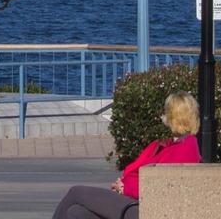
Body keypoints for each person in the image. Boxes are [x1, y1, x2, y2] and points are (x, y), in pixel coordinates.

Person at [50, 92, 201, 219]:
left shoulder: (185, 148)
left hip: (142, 207)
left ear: (172, 116)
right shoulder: (166, 145)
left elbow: (164, 187)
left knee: (76, 192)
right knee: (76, 213)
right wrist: (122, 184)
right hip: (132, 199)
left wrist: (125, 188)